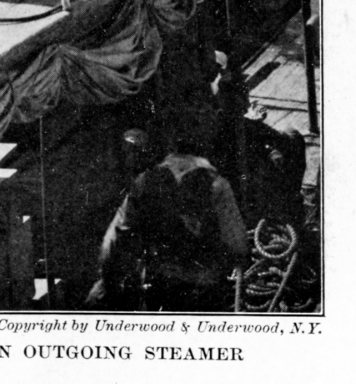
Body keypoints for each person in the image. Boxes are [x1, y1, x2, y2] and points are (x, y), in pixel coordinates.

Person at [86, 125, 248, 312]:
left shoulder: (145, 182)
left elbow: (112, 244)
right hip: (204, 294)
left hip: (159, 290)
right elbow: (238, 247)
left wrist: (107, 284)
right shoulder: (217, 185)